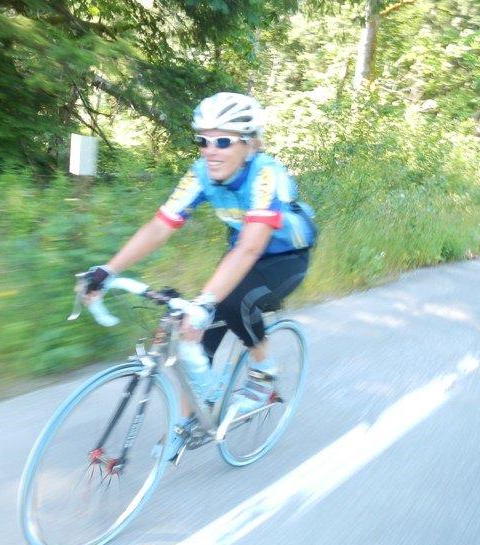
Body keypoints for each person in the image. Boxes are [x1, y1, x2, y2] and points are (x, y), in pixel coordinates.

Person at [84, 92, 316, 461]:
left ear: (249, 143)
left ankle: (263, 373)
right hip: (241, 253)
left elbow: (251, 248)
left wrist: (206, 302)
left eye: (222, 141)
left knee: (234, 302)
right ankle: (187, 420)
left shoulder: (265, 174)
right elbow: (160, 227)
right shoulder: (201, 173)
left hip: (285, 258)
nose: (210, 150)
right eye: (203, 140)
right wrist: (108, 270)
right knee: (194, 333)